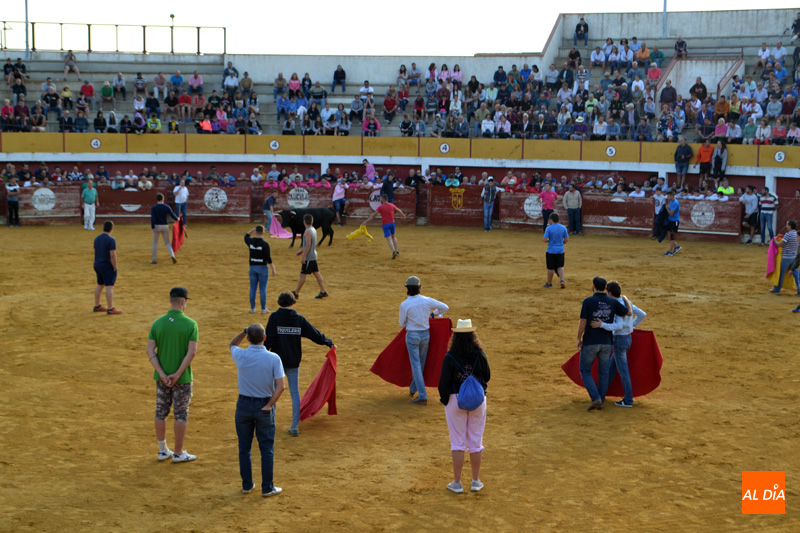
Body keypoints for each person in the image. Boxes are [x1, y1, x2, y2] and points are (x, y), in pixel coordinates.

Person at [265, 291, 334, 436]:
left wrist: (262, 355)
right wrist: (328, 342)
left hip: (276, 361)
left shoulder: (275, 317)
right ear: (293, 303)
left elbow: (269, 340)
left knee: (271, 392)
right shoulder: (298, 319)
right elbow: (314, 334)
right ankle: (294, 426)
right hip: (293, 361)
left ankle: (269, 424)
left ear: (279, 303)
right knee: (294, 393)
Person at [229, 323, 285, 497]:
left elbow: (232, 344)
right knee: (266, 448)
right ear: (265, 338)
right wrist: (269, 405)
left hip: (244, 404)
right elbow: (281, 386)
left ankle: (247, 485)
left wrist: (243, 331)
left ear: (247, 338)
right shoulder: (273, 358)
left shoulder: (241, 355)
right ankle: (267, 487)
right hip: (264, 406)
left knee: (244, 447)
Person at [438, 319, 490, 494]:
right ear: (472, 335)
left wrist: (446, 401)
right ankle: (475, 481)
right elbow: (487, 375)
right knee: (476, 441)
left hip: (455, 399)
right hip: (477, 400)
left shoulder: (450, 356)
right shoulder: (479, 354)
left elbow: (443, 383)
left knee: (457, 442)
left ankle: (457, 483)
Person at [147, 287, 198, 463]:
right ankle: (178, 452)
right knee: (180, 414)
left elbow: (150, 350)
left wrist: (162, 373)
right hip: (182, 378)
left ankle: (162, 450)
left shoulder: (158, 323)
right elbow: (191, 353)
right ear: (183, 302)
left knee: (161, 412)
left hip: (161, 377)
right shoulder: (191, 324)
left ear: (171, 300)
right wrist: (177, 374)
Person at [576, 276, 632, 411]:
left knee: (584, 370)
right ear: (605, 288)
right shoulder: (612, 302)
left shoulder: (588, 301)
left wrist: (579, 338)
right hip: (607, 343)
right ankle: (600, 400)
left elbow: (583, 322)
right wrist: (627, 300)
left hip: (590, 342)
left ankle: (596, 398)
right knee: (604, 373)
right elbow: (629, 312)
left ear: (594, 286)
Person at [590, 280, 646, 408]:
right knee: (611, 368)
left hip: (619, 340)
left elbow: (619, 325)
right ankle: (599, 395)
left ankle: (628, 400)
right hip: (627, 339)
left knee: (623, 371)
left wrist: (601, 325)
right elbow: (642, 315)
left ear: (609, 293)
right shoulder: (627, 303)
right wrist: (630, 326)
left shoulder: (614, 305)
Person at [399, 276, 450, 405]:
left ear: (407, 289)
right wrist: (433, 314)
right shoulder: (427, 301)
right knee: (420, 364)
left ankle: (422, 395)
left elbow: (402, 323)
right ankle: (413, 389)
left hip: (412, 336)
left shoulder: (405, 304)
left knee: (416, 365)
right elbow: (445, 307)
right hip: (426, 336)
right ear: (420, 288)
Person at [293, 214, 329, 299]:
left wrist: (304, 256)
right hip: (313, 255)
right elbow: (312, 244)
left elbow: (308, 244)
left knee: (303, 275)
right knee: (317, 274)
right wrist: (301, 251)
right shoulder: (313, 229)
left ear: (304, 221)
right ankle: (323, 291)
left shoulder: (308, 231)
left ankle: (296, 293)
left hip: (309, 257)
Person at [361, 194, 407, 259]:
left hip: (385, 224)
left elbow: (373, 216)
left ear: (382, 199)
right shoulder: (391, 205)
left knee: (389, 238)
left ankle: (393, 251)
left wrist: (365, 222)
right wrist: (403, 215)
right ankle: (397, 251)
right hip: (392, 223)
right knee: (393, 237)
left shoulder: (380, 207)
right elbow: (399, 210)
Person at [93, 220, 122, 315]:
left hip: (97, 264)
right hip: (106, 265)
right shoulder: (111, 239)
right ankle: (110, 308)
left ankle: (97, 305)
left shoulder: (97, 238)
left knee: (100, 284)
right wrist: (115, 266)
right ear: (111, 229)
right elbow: (112, 255)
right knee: (109, 286)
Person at [245, 226, 276, 314]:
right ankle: (263, 309)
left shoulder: (250, 241)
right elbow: (268, 258)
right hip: (262, 268)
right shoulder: (265, 244)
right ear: (263, 233)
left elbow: (246, 236)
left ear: (255, 232)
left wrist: (252, 230)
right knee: (262, 289)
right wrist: (273, 268)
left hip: (252, 267)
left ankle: (252, 308)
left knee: (252, 288)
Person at [770, 220, 799, 294]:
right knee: (796, 274)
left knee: (781, 273)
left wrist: (774, 240)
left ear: (790, 226)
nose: (786, 226)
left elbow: (780, 244)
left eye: (787, 225)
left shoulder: (788, 234)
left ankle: (777, 289)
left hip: (786, 258)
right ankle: (799, 290)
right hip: (794, 257)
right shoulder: (797, 234)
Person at [543, 213, 569, 289]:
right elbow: (566, 239)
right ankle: (562, 280)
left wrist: (549, 240)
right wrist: (561, 243)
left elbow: (545, 240)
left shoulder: (549, 228)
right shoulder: (563, 227)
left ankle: (549, 283)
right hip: (560, 250)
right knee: (560, 266)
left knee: (550, 268)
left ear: (551, 220)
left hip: (551, 250)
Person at [151, 193, 178, 264]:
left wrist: (153, 227)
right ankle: (172, 255)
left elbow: (153, 218)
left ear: (157, 199)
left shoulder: (154, 207)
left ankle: (154, 259)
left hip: (157, 226)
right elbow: (172, 215)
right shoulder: (167, 207)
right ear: (163, 199)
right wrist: (177, 219)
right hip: (165, 226)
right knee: (167, 242)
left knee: (155, 243)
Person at [663, 190, 681, 256]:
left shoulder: (675, 202)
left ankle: (670, 251)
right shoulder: (671, 201)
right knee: (670, 234)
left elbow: (671, 213)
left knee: (672, 236)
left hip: (674, 221)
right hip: (671, 220)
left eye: (668, 196)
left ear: (672, 196)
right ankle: (677, 246)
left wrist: (666, 209)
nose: (667, 197)